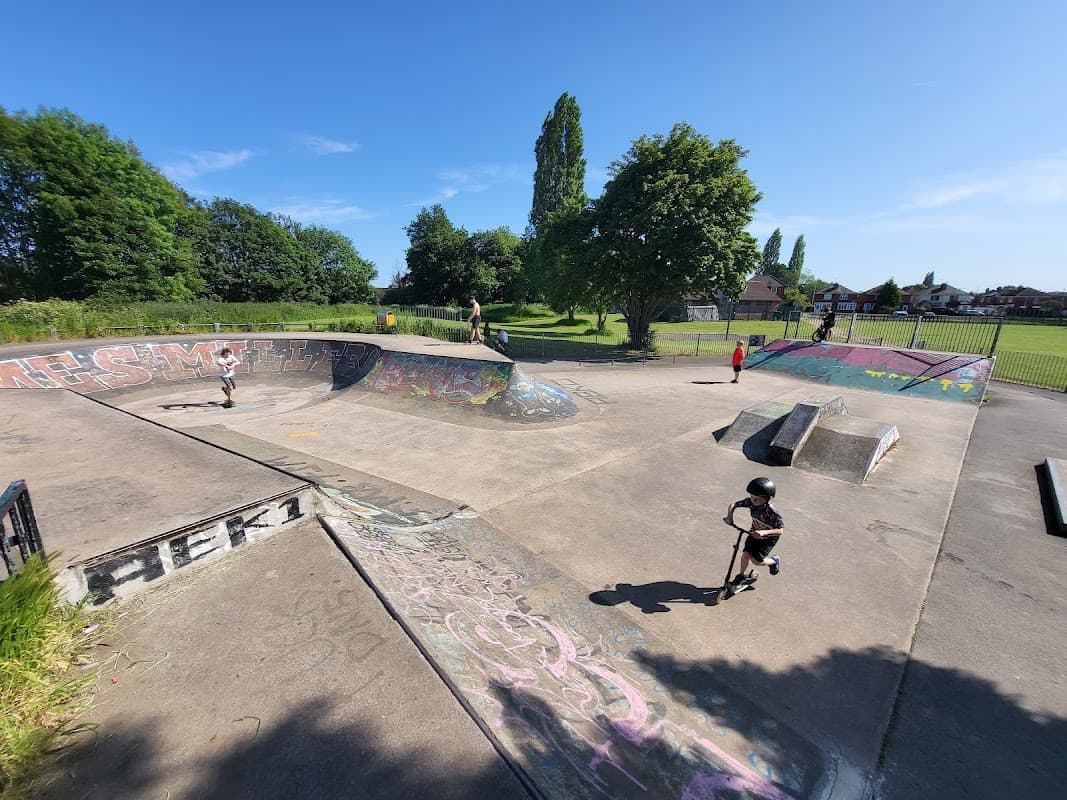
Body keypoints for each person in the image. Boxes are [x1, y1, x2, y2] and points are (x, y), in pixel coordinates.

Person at [723, 477, 783, 586]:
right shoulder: (750, 502)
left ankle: (774, 561)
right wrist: (729, 516)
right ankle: (741, 576)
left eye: (757, 498)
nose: (753, 500)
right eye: (751, 497)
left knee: (756, 561)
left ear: (767, 499)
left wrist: (764, 533)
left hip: (767, 539)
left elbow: (780, 530)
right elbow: (733, 505)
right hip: (753, 533)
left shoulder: (772, 512)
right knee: (745, 555)